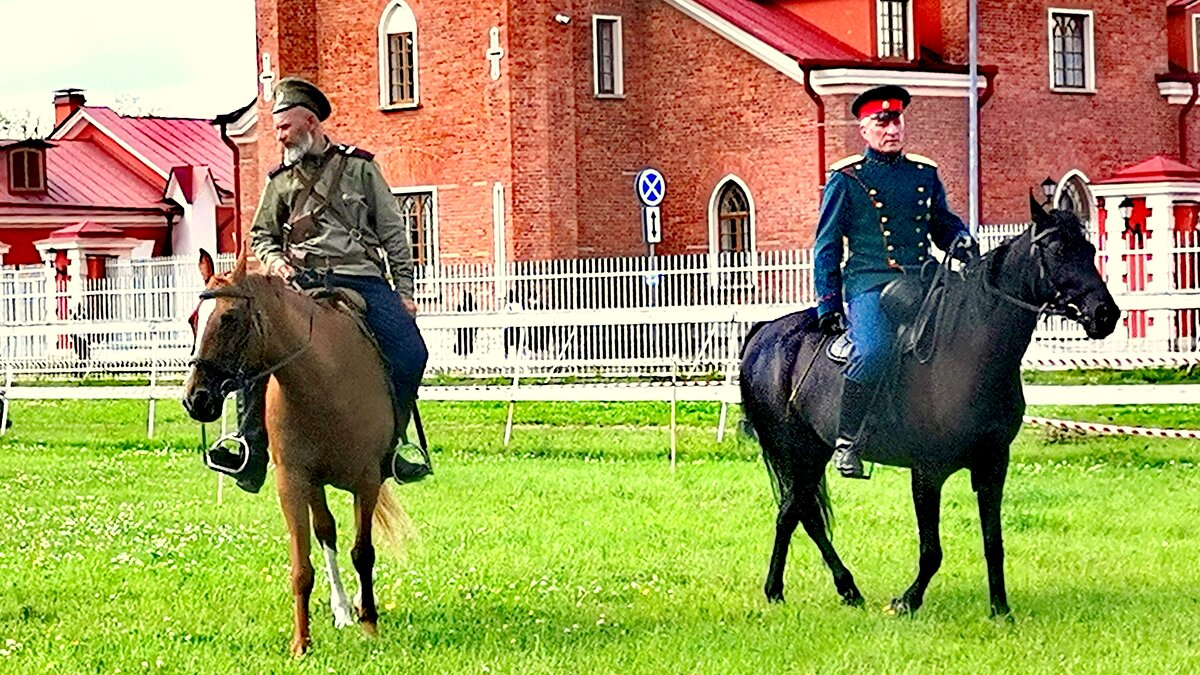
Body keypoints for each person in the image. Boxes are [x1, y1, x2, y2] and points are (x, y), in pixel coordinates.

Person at [204, 77, 431, 493]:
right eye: (276, 130)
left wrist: (405, 290)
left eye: (285, 127)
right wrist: (277, 263)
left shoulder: (360, 168)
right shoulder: (280, 180)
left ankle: (394, 446)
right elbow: (261, 236)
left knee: (411, 350)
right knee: (255, 345)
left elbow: (393, 231)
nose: (280, 137)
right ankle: (247, 446)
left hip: (361, 279)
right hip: (302, 284)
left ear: (310, 122)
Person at [813, 84, 975, 479]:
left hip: (923, 280)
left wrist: (961, 240)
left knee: (967, 337)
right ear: (864, 130)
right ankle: (849, 442)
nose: (891, 130)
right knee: (873, 352)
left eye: (896, 120)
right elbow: (826, 245)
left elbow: (941, 223)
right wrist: (828, 305)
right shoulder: (847, 178)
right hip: (871, 283)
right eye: (881, 122)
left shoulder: (923, 173)